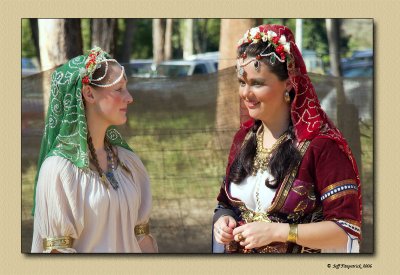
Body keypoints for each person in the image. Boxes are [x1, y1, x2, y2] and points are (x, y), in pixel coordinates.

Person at [212, 24, 362, 253]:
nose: (245, 93)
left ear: (289, 83)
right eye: (242, 83)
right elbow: (225, 204)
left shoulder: (321, 147)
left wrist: (278, 232)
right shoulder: (243, 139)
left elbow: (346, 231)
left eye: (257, 83)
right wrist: (223, 222)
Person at [31, 46, 158, 253]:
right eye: (118, 89)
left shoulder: (127, 161)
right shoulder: (60, 170)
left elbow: (141, 237)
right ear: (89, 93)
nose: (129, 97)